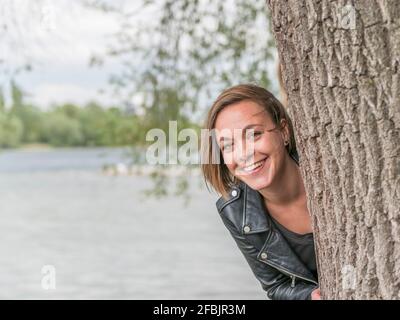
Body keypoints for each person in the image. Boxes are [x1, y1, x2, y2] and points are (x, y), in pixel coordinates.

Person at [201, 83, 321, 300]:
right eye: (228, 146)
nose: (244, 154)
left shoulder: (329, 171)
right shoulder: (234, 212)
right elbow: (276, 286)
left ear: (283, 131)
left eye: (254, 134)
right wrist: (311, 296)